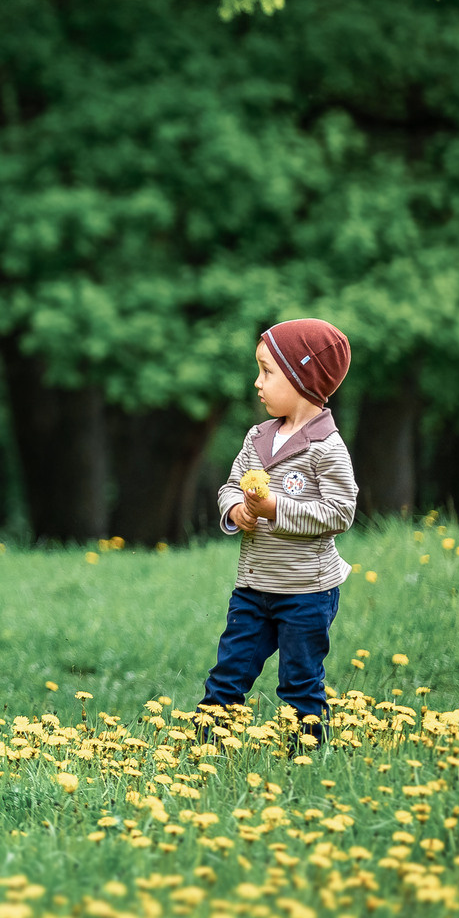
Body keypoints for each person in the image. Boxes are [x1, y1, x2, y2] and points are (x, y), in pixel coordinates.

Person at [198, 318, 357, 750]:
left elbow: (340, 512)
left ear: (302, 378)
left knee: (299, 681)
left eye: (267, 371)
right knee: (228, 674)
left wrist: (275, 509)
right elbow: (230, 486)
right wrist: (236, 509)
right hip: (253, 588)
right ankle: (204, 750)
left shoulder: (326, 448)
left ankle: (306, 754)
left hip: (306, 593)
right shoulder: (257, 437)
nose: (257, 382)